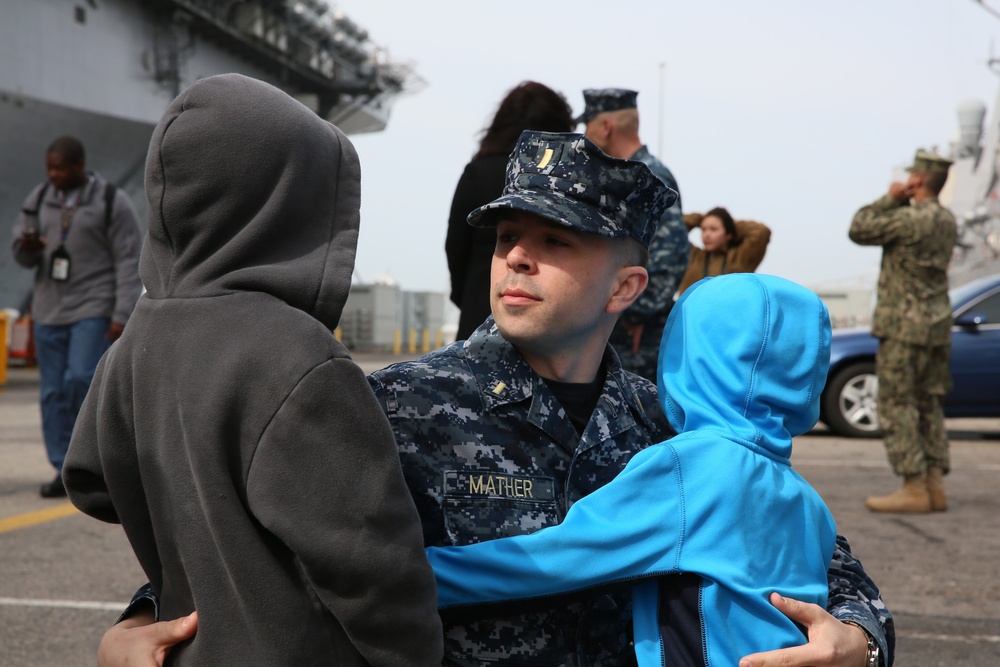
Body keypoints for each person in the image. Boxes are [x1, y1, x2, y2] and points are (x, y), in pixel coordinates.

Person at [97, 131, 893, 667]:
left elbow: (822, 563)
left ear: (627, 284)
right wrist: (139, 621)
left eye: (557, 241)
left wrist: (858, 640)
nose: (517, 255)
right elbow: (255, 537)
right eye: (509, 233)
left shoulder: (673, 422)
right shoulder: (396, 404)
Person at [61, 74, 443, 665]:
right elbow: (373, 567)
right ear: (286, 205)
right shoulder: (298, 356)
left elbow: (89, 479)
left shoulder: (133, 344)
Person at [426, 273, 841, 667]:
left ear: (688, 359)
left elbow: (560, 560)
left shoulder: (691, 467)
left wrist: (406, 574)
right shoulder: (808, 500)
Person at [10, 135, 143, 498]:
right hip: (49, 311)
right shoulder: (38, 200)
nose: (53, 175)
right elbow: (19, 254)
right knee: (52, 393)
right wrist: (28, 247)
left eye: (59, 168)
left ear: (79, 167)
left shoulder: (111, 201)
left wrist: (122, 313)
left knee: (81, 378)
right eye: (49, 168)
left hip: (93, 307)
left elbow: (129, 259)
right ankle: (63, 468)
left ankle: (99, 463)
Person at [849, 149, 957, 514]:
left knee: (897, 402)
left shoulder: (909, 220)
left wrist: (891, 198)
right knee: (928, 402)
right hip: (937, 323)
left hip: (903, 325)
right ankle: (934, 485)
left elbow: (859, 227)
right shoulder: (947, 220)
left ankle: (913, 486)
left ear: (918, 180)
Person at [446, 81, 574, 340]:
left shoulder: (477, 173)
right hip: (547, 329)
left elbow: (455, 249)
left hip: (478, 319)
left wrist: (474, 299)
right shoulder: (566, 181)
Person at [578, 88, 690, 382]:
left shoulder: (647, 176)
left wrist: (636, 314)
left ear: (605, 126)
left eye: (586, 126)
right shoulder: (621, 175)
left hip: (637, 337)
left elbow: (671, 256)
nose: (584, 135)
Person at [677, 206, 772, 295]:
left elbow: (761, 232)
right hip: (691, 312)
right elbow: (674, 229)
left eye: (713, 229)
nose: (706, 234)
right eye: (703, 229)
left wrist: (729, 224)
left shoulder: (741, 256)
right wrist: (700, 218)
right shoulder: (692, 255)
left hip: (731, 312)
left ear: (728, 235)